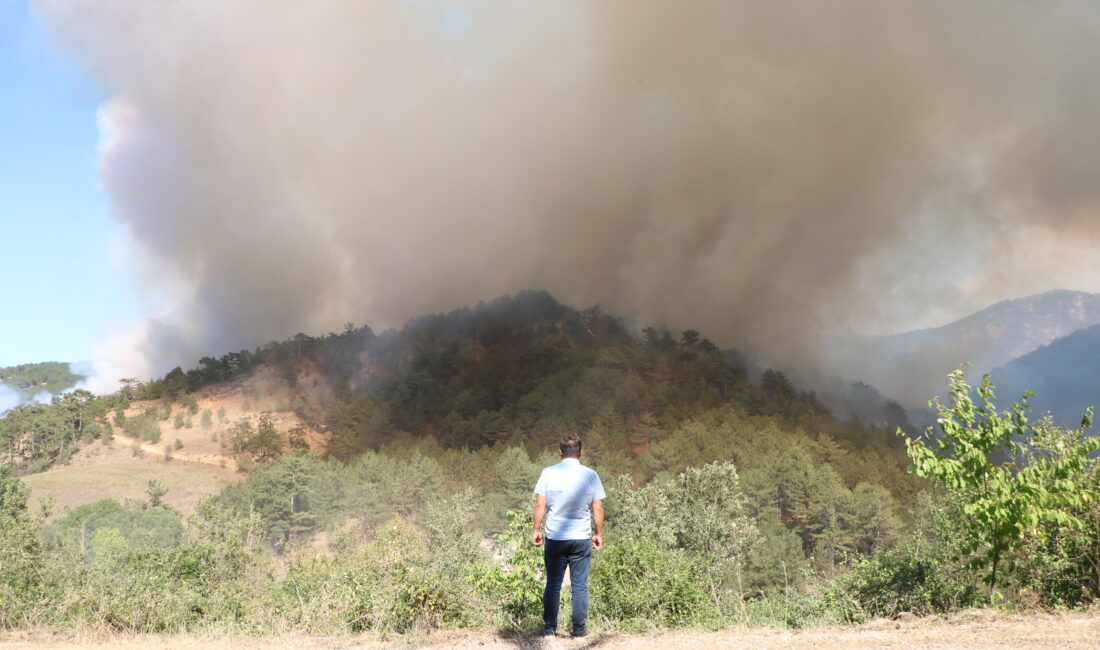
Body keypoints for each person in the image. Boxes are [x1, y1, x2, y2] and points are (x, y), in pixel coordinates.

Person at [532, 434, 605, 638]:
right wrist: (598, 533)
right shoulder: (591, 475)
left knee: (553, 583)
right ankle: (579, 630)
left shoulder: (548, 473)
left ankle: (549, 630)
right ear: (580, 452)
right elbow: (597, 509)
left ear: (560, 452)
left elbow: (540, 505)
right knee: (579, 586)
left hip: (555, 537)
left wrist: (536, 530)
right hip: (581, 537)